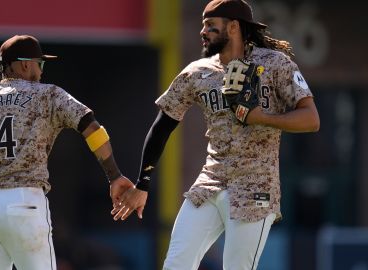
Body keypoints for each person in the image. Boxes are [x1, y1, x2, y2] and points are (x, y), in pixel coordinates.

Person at [111, 0, 320, 269]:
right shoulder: (197, 72)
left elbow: (311, 119)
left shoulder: (275, 64)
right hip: (210, 182)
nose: (203, 31)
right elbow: (162, 127)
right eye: (202, 25)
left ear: (233, 27)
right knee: (176, 263)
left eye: (210, 25)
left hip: (255, 186)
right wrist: (143, 184)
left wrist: (262, 118)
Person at [0, 34, 134, 270]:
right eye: (40, 63)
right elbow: (93, 130)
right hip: (23, 204)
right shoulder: (48, 94)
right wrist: (114, 175)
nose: (41, 71)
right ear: (24, 64)